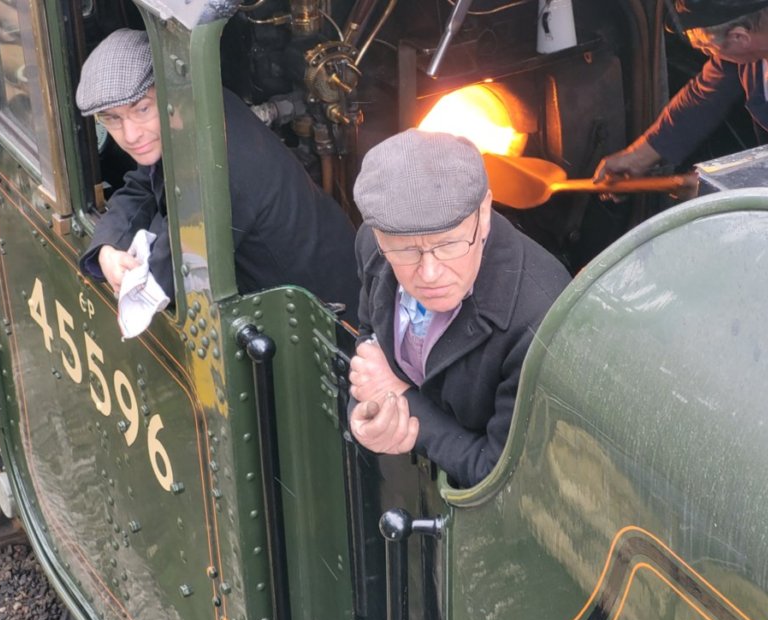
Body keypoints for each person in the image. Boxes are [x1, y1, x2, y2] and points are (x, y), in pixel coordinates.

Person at [75, 29, 360, 323]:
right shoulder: (189, 111)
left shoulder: (220, 169)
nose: (131, 135)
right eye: (113, 119)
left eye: (142, 109)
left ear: (170, 90)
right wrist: (106, 249)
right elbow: (142, 183)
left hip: (327, 319)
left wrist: (121, 267)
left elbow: (164, 280)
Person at [348, 130, 571, 488]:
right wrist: (369, 414)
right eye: (406, 251)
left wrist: (404, 403)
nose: (430, 273)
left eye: (449, 244)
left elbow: (503, 476)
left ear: (483, 213)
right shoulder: (374, 245)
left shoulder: (541, 319)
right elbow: (369, 342)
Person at [595, 0, 768, 180]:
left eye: (707, 48)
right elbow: (703, 95)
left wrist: (720, 187)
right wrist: (636, 156)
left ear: (739, 37)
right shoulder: (755, 33)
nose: (709, 55)